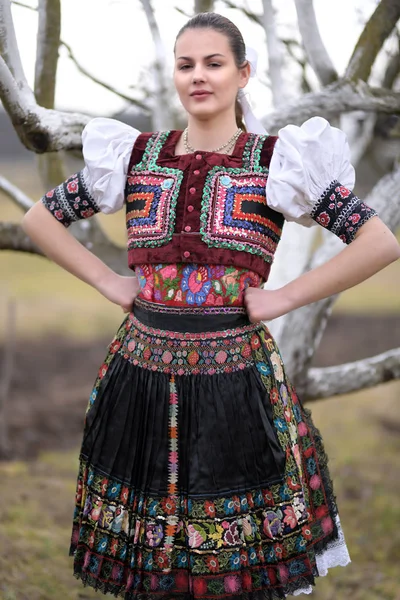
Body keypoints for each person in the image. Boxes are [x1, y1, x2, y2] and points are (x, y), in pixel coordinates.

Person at [22, 11, 400, 600]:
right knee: (153, 564)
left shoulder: (279, 162)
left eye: (214, 63)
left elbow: (379, 241)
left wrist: (284, 297)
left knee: (237, 568)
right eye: (186, 64)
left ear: (243, 73)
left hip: (237, 384)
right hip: (140, 375)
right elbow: (38, 218)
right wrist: (106, 279)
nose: (199, 76)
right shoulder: (133, 156)